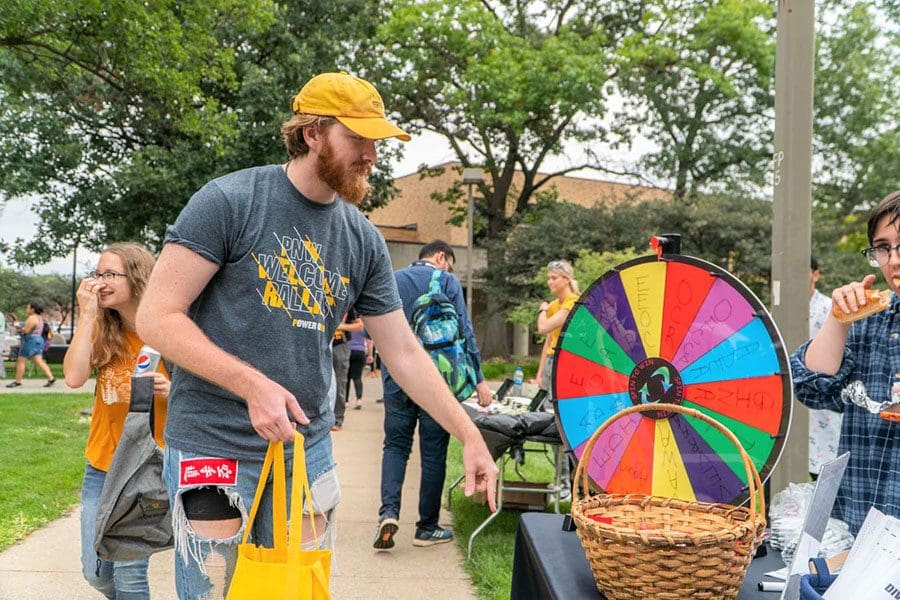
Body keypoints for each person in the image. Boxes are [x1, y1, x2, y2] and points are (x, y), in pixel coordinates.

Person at [135, 72, 498, 598]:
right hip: (214, 446)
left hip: (307, 452)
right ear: (312, 134)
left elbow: (402, 351)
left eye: (377, 141)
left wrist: (469, 435)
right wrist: (251, 384)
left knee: (298, 591)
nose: (372, 154)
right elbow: (157, 316)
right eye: (358, 138)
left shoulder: (362, 238)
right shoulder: (231, 201)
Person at [63, 242, 170, 599]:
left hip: (143, 468)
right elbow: (75, 377)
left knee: (129, 573)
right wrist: (88, 314)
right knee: (95, 573)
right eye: (97, 274)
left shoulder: (166, 331)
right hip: (101, 465)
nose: (100, 282)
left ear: (137, 277)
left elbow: (202, 390)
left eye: (110, 274)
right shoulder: (104, 329)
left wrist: (172, 390)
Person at [791, 190, 900, 536]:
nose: (894, 260)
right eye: (883, 247)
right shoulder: (869, 319)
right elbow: (810, 388)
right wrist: (839, 319)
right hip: (860, 527)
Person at [374, 240, 493, 550]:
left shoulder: (393, 278)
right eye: (450, 263)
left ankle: (388, 513)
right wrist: (479, 380)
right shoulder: (448, 281)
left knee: (396, 445)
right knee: (433, 453)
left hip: (396, 378)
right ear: (441, 257)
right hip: (436, 384)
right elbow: (465, 332)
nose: (450, 269)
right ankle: (426, 527)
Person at [807, 255, 842, 480]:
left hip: (825, 409)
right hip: (793, 405)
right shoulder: (779, 311)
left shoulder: (831, 309)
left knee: (825, 474)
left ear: (815, 274)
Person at [534, 260, 580, 393]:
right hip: (551, 360)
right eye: (548, 278)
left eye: (554, 278)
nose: (550, 282)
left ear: (567, 279)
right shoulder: (554, 305)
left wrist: (542, 310)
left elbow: (543, 328)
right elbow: (549, 341)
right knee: (547, 405)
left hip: (566, 361)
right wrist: (540, 372)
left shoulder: (573, 303)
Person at [5, 302, 56, 388]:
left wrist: (18, 328)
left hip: (31, 341)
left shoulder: (31, 318)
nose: (26, 309)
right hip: (39, 340)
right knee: (39, 361)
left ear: (33, 309)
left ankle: (17, 381)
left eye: (28, 308)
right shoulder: (40, 318)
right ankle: (51, 378)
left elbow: (26, 331)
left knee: (21, 361)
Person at [331, 308, 362, 430]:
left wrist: (341, 326)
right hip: (321, 344)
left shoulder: (349, 305)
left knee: (340, 382)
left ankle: (337, 419)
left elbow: (360, 325)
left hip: (340, 345)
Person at [347, 326, 367, 410]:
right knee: (357, 377)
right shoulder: (361, 325)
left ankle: (345, 401)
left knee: (345, 378)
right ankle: (359, 399)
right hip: (360, 351)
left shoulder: (347, 324)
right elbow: (369, 339)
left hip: (348, 350)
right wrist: (369, 354)